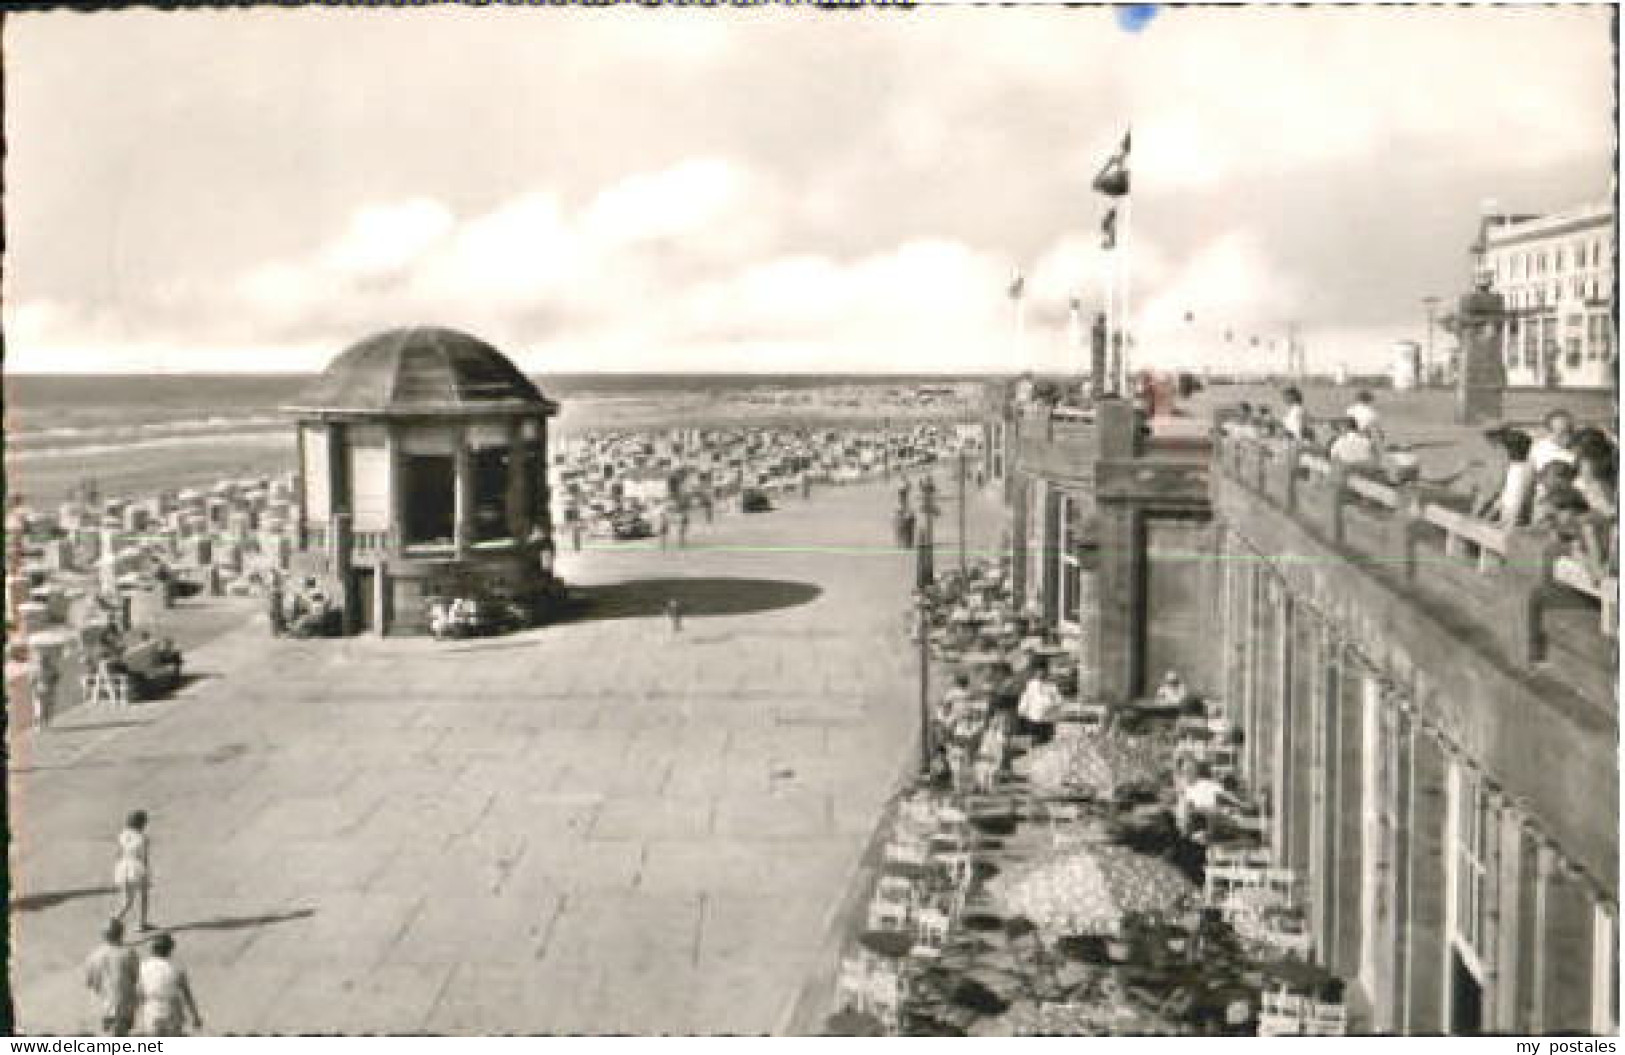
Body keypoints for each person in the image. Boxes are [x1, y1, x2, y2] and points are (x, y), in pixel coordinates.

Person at [134, 934, 202, 1036]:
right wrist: (195, 1016)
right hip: (172, 1011)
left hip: (152, 1010)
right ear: (169, 950)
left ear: (153, 950)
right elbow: (187, 994)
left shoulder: (144, 967)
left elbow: (139, 993)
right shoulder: (176, 967)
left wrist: (137, 1016)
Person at [84, 919, 138, 1037]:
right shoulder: (129, 953)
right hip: (123, 1004)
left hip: (101, 1005)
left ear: (103, 935)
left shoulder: (93, 956)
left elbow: (89, 983)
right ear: (121, 933)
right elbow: (135, 978)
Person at [1475, 429, 1535, 527]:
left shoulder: (1520, 473)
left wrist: (1501, 523)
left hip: (1512, 523)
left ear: (1509, 450)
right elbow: (1505, 497)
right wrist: (1488, 516)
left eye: (1501, 448)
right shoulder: (1516, 467)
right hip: (1507, 517)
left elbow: (1517, 503)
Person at [112, 810, 152, 931]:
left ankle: (112, 922)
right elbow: (144, 857)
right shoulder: (143, 838)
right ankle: (141, 923)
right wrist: (147, 873)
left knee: (127, 902)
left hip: (122, 867)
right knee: (144, 895)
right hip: (136, 867)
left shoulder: (122, 835)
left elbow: (118, 853)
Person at [1017, 664, 1061, 745]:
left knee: (1047, 740)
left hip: (1047, 718)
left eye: (1043, 671)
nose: (1040, 674)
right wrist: (1022, 709)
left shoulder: (1051, 685)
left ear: (1046, 672)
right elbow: (1026, 697)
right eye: (1038, 672)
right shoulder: (1031, 684)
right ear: (1035, 672)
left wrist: (1050, 703)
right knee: (1034, 739)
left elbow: (1058, 700)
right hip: (1034, 717)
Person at [1531, 409, 1578, 475]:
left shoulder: (1578, 449)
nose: (1567, 436)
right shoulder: (1536, 450)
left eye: (1569, 431)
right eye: (1562, 432)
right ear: (1549, 431)